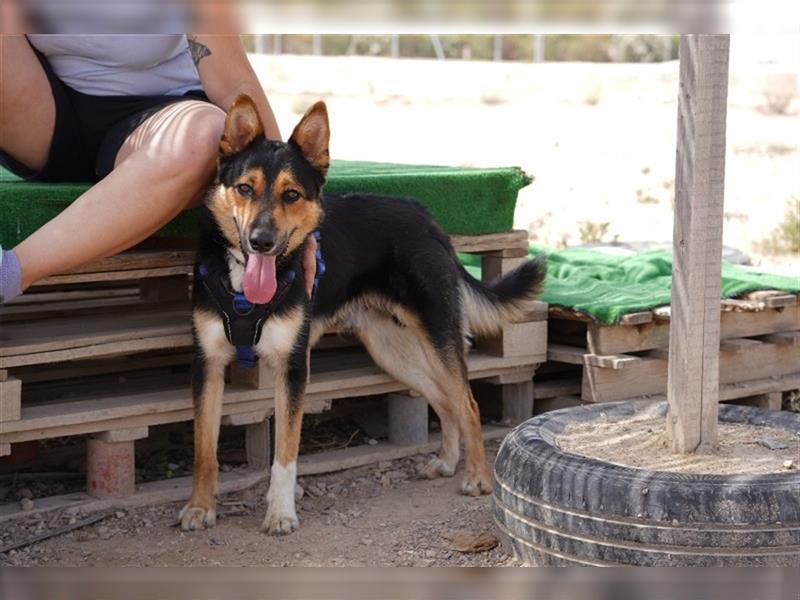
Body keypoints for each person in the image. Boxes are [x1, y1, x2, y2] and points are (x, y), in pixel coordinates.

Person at [0, 1, 316, 303]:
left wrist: (281, 204)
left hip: (162, 118)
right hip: (47, 115)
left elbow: (233, 84)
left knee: (206, 134)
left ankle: (9, 273)